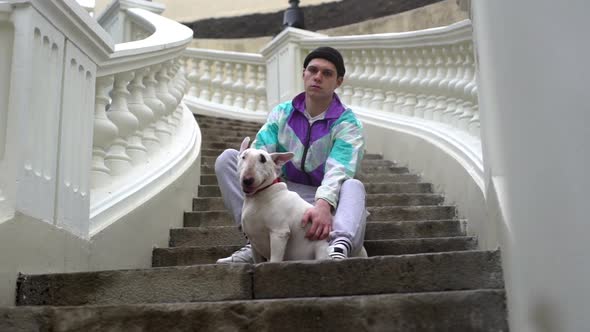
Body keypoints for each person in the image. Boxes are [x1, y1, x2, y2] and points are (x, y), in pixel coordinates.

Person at [215, 46, 367, 263]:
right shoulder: (282, 113)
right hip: (282, 197)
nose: (317, 77)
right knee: (228, 159)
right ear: (303, 74)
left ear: (339, 81)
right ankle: (256, 239)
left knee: (354, 186)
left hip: (327, 201)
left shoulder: (348, 123)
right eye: (312, 70)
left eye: (327, 73)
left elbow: (339, 169)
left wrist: (323, 205)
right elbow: (261, 154)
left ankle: (337, 247)